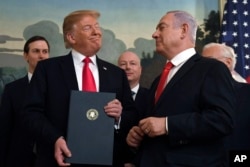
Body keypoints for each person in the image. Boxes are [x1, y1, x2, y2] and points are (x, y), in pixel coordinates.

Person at [21, 10, 136, 167]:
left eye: (97, 26)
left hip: (105, 160)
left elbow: (132, 115)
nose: (97, 32)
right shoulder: (47, 69)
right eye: (88, 27)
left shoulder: (116, 74)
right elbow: (31, 113)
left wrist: (119, 116)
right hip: (58, 160)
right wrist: (55, 139)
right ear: (71, 37)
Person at [126, 10, 236, 167]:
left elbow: (221, 120)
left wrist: (167, 125)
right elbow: (153, 127)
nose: (154, 34)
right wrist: (138, 137)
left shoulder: (212, 69)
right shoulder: (158, 80)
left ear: (184, 30)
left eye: (161, 27)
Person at [0, 35, 50, 167]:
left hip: (50, 158)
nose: (41, 56)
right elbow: (4, 129)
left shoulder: (58, 88)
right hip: (18, 159)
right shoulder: (12, 90)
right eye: (36, 51)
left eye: (45, 52)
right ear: (26, 56)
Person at [118, 51, 149, 119]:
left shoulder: (150, 97)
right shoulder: (111, 97)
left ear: (140, 69)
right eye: (123, 64)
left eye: (132, 63)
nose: (128, 67)